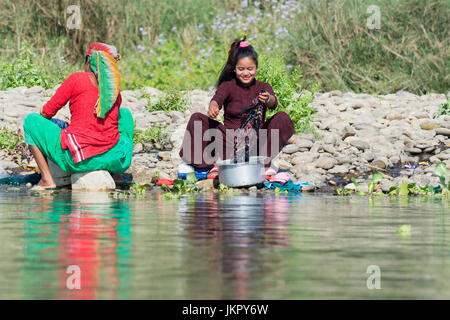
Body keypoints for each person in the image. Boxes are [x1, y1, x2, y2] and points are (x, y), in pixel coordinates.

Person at [179, 37, 295, 178]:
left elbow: (274, 102)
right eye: (241, 69)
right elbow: (216, 100)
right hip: (229, 143)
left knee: (283, 117)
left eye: (250, 69)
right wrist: (213, 107)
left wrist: (269, 99)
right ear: (235, 69)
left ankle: (263, 163)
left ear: (256, 69)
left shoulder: (263, 87)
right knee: (197, 118)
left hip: (256, 145)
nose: (246, 73)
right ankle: (211, 163)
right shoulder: (227, 86)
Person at [23, 42, 134, 190]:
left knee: (31, 121)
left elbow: (47, 112)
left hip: (79, 160)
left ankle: (46, 179)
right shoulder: (115, 91)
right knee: (125, 114)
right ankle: (115, 174)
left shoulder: (77, 79)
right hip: (117, 159)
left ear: (89, 60)